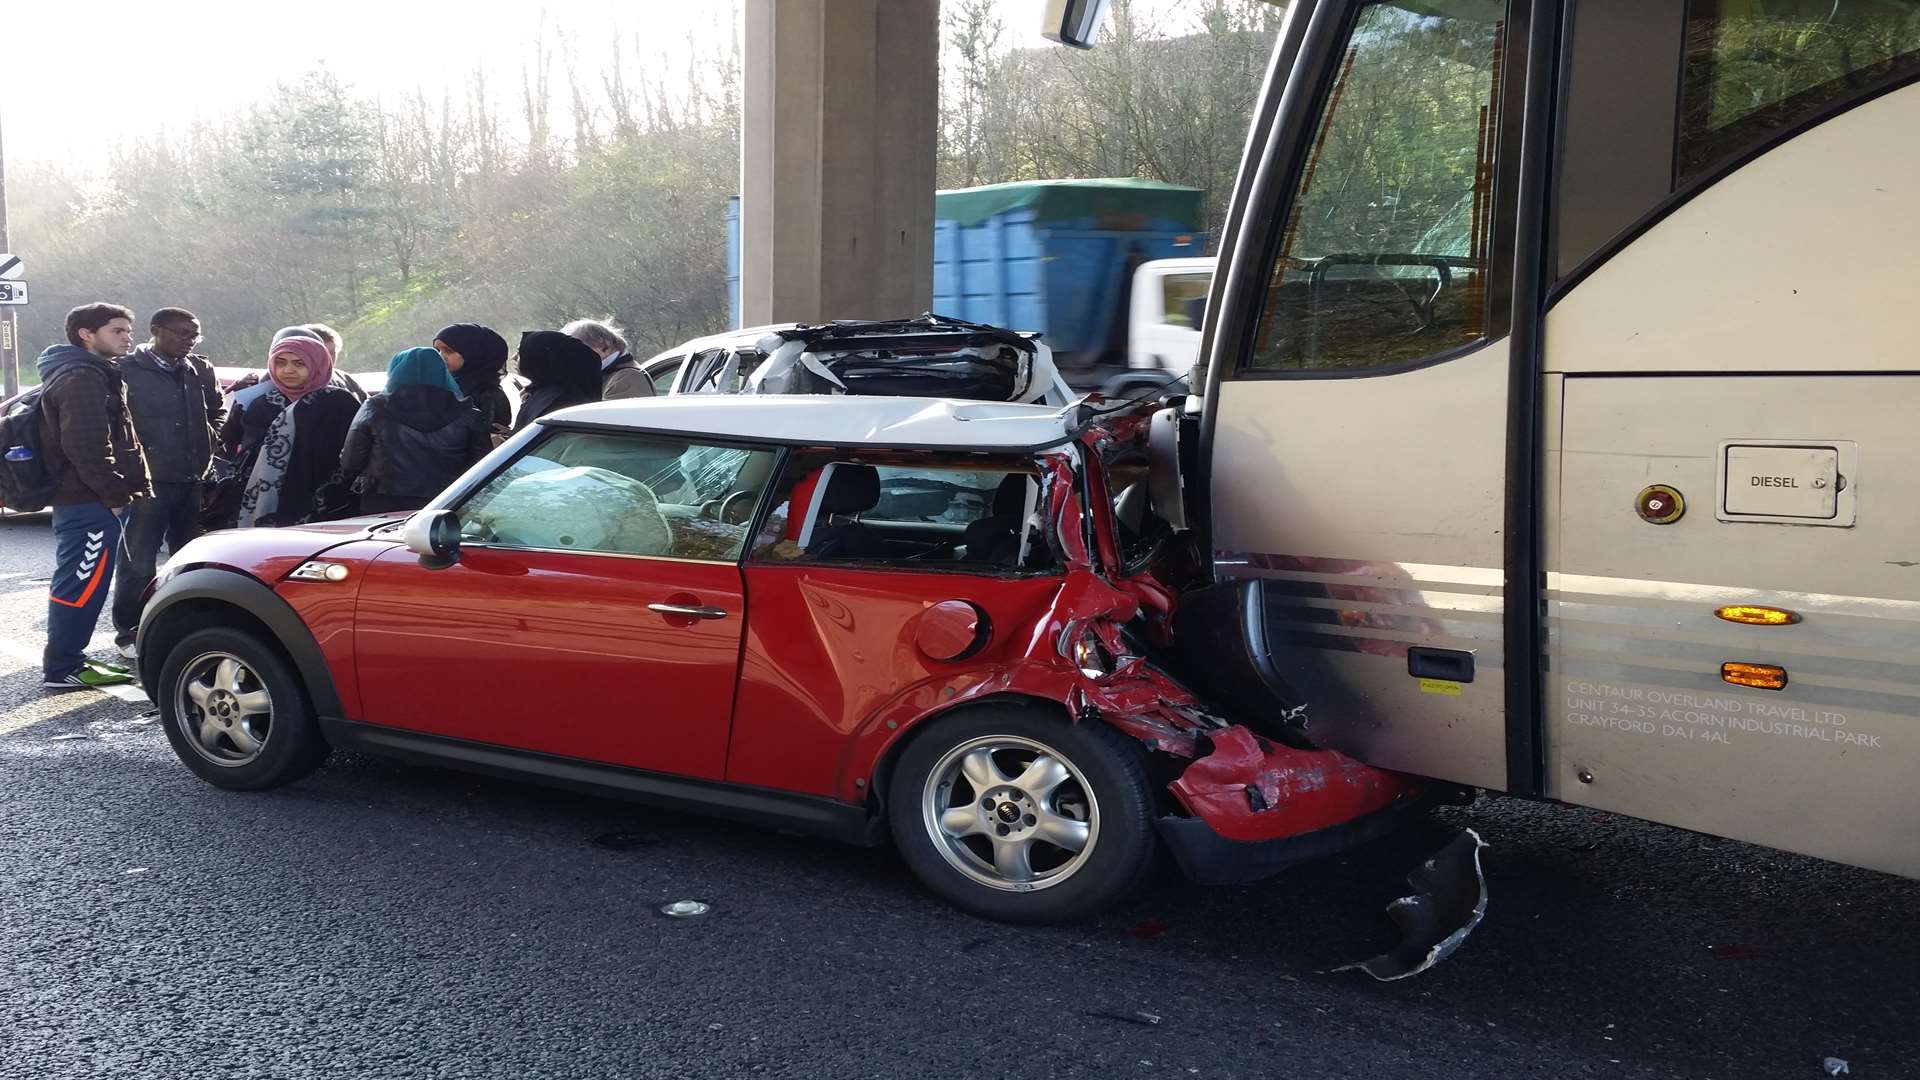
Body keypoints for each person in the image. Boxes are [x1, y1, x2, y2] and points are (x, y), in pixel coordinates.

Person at [36, 303, 150, 689]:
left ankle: (69, 660)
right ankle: (63, 667)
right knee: (81, 582)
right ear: (86, 334)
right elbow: (86, 446)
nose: (127, 338)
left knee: (85, 581)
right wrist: (113, 495)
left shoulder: (91, 372)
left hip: (90, 499)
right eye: (117, 331)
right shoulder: (82, 377)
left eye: (127, 331)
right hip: (88, 501)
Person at [109, 308, 224, 659]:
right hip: (146, 481)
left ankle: (185, 623)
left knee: (189, 557)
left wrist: (211, 438)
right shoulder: (125, 369)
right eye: (181, 333)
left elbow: (217, 410)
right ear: (156, 331)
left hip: (193, 477)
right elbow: (111, 422)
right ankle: (130, 629)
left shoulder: (199, 368)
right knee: (138, 560)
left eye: (194, 335)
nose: (188, 340)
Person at [335, 347, 491, 514]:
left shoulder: (375, 407)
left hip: (383, 500)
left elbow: (351, 461)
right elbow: (483, 463)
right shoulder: (467, 411)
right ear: (442, 372)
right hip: (448, 500)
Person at [234, 336, 360, 527]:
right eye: (280, 363)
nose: (288, 370)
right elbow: (251, 455)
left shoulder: (339, 402)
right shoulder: (263, 404)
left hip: (335, 502)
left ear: (318, 364)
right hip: (276, 501)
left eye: (299, 364)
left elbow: (355, 452)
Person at [513, 331, 603, 431]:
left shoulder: (557, 401)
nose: (514, 357)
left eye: (520, 352)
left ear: (539, 357)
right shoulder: (544, 393)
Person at [433, 323, 512, 431]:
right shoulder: (444, 384)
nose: (440, 356)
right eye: (438, 350)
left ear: (473, 352)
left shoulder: (489, 396)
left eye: (449, 350)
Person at [562, 317, 654, 399]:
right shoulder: (616, 374)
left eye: (579, 351)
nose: (574, 358)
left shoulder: (626, 377)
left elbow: (606, 416)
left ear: (603, 345)